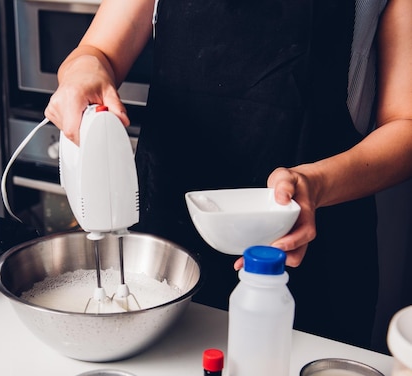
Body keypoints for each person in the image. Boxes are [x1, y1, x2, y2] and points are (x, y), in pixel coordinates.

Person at [44, 0, 412, 349]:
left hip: (319, 255)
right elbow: (98, 51)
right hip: (165, 257)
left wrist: (317, 185)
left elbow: (405, 124)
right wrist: (83, 71)